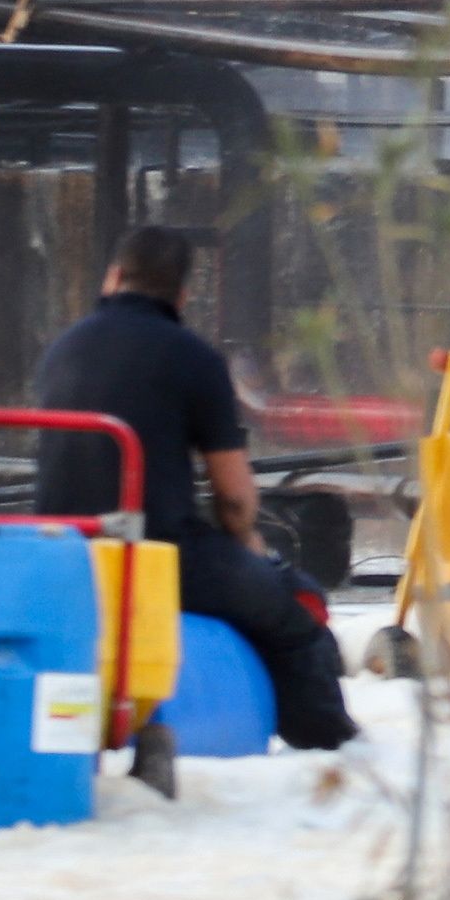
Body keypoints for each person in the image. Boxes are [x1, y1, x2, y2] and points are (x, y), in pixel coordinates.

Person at [33, 223, 357, 751]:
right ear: (183, 294)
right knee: (297, 605)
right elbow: (232, 496)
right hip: (158, 555)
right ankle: (328, 750)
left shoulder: (61, 350)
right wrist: (250, 547)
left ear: (114, 277)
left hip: (62, 552)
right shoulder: (195, 359)